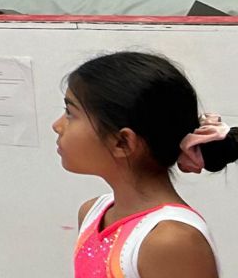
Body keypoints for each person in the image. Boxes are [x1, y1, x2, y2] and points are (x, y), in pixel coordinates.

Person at [56, 51, 233, 278]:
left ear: (123, 142)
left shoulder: (170, 240)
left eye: (70, 113)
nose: (57, 125)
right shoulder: (92, 212)